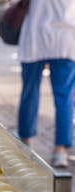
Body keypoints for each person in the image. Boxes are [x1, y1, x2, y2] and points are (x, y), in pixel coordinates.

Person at [17, 0, 75, 168]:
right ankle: (60, 151)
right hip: (65, 39)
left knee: (30, 92)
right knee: (64, 98)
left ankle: (25, 143)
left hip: (34, 38)